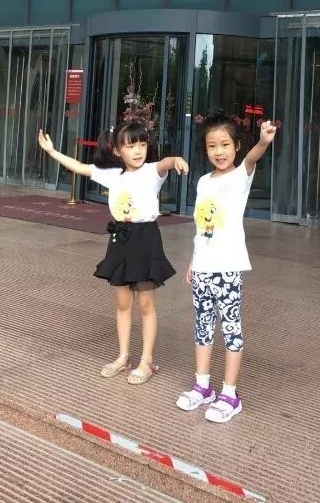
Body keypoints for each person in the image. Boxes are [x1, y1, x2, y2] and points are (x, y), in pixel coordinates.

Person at [38, 121, 188, 385]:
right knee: (122, 303)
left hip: (145, 238)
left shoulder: (152, 171)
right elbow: (80, 167)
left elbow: (165, 163)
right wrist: (51, 151)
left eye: (142, 144)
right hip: (120, 238)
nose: (138, 150)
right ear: (118, 151)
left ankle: (147, 361)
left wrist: (176, 159)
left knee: (146, 304)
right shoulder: (113, 175)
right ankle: (123, 356)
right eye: (131, 146)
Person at [176, 110, 276, 422]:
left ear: (236, 146)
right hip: (203, 269)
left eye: (224, 145)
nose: (218, 152)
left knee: (231, 329)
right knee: (203, 327)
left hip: (228, 269)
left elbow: (253, 158)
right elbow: (201, 228)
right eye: (212, 146)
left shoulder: (240, 177)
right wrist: (193, 261)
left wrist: (263, 141)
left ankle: (230, 394)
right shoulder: (203, 182)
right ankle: (202, 386)